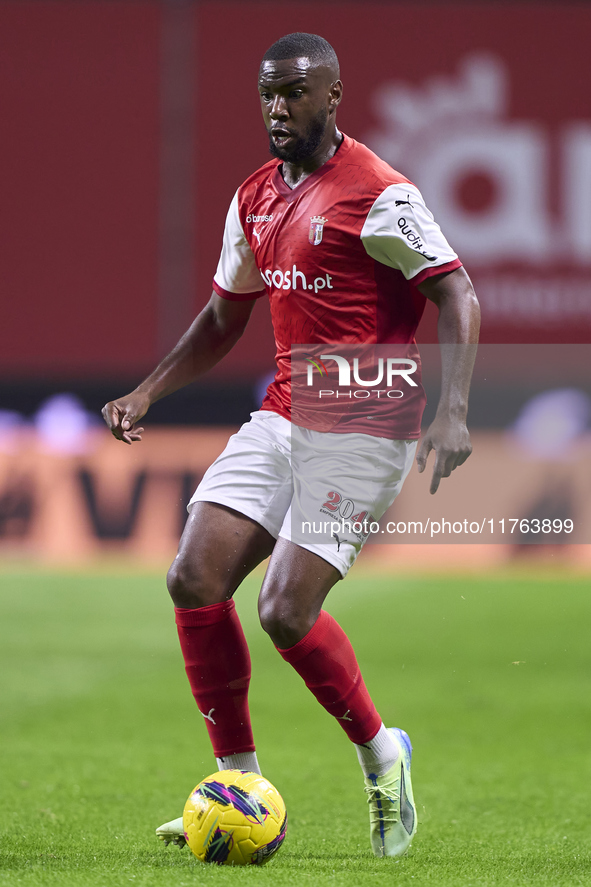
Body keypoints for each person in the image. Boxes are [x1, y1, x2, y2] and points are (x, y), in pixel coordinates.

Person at [102, 32, 480, 859]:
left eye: (295, 92)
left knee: (282, 610)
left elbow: (457, 293)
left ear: (334, 93)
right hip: (284, 412)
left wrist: (452, 411)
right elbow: (219, 319)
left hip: (366, 426)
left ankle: (383, 752)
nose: (278, 108)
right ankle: (237, 783)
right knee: (192, 575)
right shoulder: (254, 198)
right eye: (268, 94)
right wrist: (148, 391)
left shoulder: (379, 194)